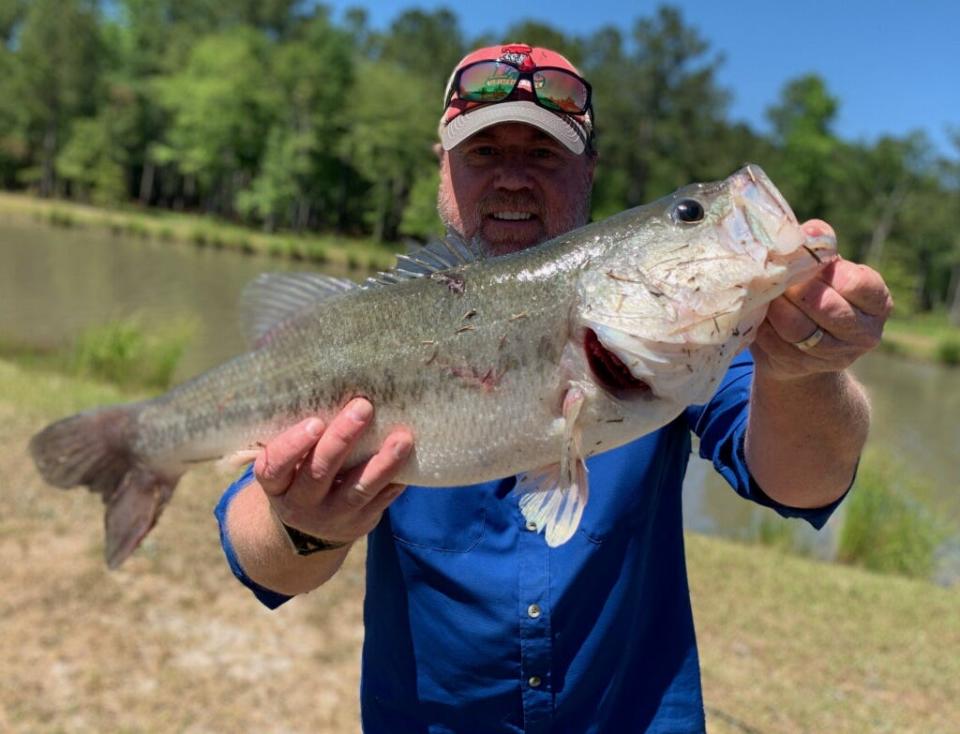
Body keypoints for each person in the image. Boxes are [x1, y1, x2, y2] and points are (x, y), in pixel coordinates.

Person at [215, 44, 892, 733]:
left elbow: (803, 483)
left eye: (543, 155)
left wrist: (804, 368)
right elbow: (258, 557)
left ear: (589, 171)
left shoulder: (687, 340)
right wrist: (301, 527)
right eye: (483, 154)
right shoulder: (375, 323)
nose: (512, 179)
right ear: (443, 171)